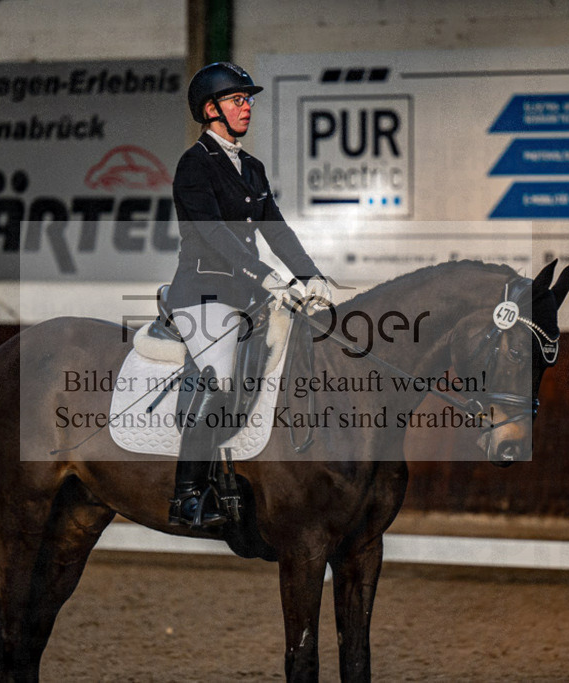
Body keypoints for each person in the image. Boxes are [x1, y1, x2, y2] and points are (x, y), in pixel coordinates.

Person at [166, 62, 331, 528]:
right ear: (210, 109)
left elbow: (275, 229)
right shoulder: (194, 165)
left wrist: (310, 275)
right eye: (238, 100)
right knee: (219, 376)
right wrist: (266, 276)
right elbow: (215, 234)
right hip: (203, 293)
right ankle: (188, 494)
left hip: (248, 293)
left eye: (248, 100)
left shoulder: (251, 168)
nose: (247, 108)